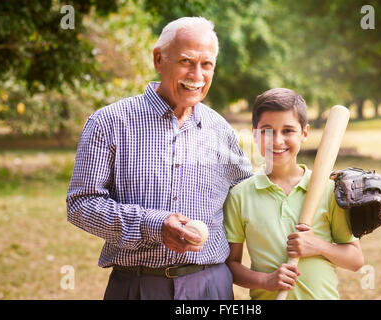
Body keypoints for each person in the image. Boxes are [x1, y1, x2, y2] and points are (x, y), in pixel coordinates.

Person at [66, 17, 253, 300]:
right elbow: (81, 205)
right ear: (158, 59)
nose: (197, 75)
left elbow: (251, 193)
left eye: (207, 65)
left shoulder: (219, 128)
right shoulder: (109, 123)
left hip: (210, 286)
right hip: (138, 287)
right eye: (186, 61)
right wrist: (152, 224)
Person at [223, 88, 364, 300]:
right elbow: (230, 265)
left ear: (304, 133)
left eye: (288, 130)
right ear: (254, 133)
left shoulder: (327, 190)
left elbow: (355, 259)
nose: (277, 141)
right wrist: (267, 281)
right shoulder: (240, 195)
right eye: (267, 130)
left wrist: (318, 246)